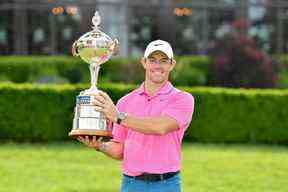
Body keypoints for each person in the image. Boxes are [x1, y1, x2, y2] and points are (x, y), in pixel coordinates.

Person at [77, 39, 195, 192]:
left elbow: (160, 127)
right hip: (131, 184)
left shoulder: (183, 99)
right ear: (144, 62)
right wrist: (100, 146)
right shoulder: (125, 102)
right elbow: (120, 151)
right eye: (152, 60)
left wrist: (118, 117)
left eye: (163, 61)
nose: (157, 66)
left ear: (172, 64)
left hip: (166, 184)